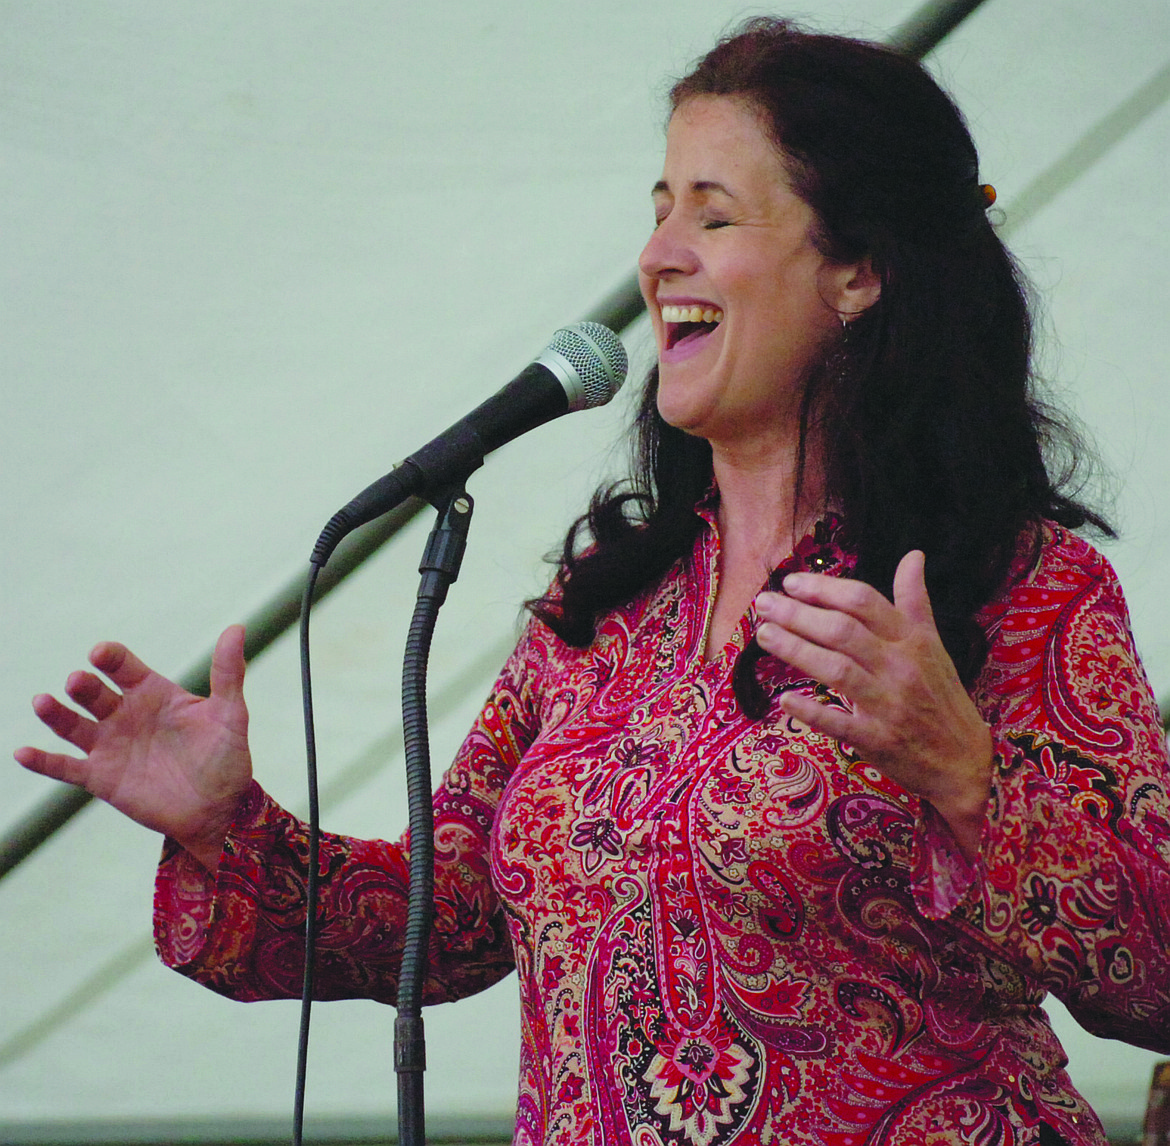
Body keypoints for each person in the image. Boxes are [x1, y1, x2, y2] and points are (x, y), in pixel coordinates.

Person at [16, 18, 1170, 1146]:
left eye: (713, 215)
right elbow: (449, 920)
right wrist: (234, 833)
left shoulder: (1012, 585)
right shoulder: (603, 611)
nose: (660, 253)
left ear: (859, 269)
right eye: (659, 210)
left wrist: (968, 777)